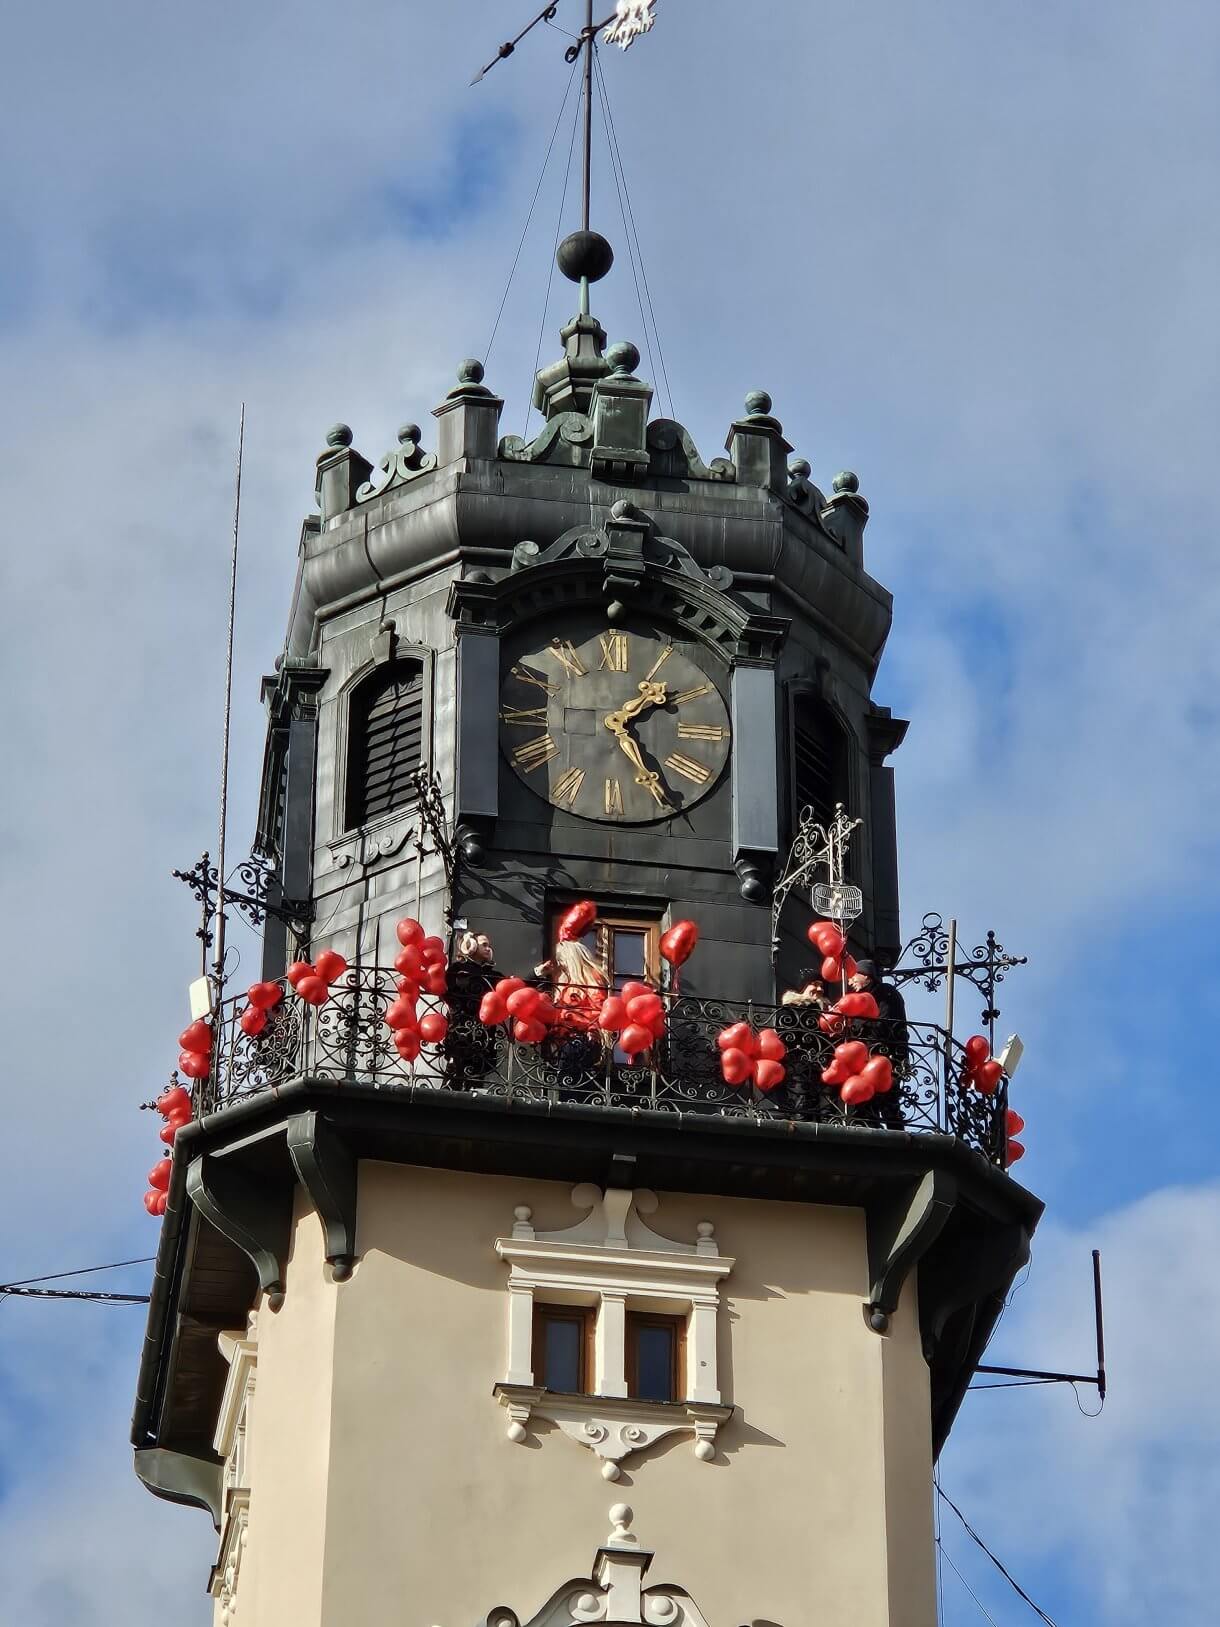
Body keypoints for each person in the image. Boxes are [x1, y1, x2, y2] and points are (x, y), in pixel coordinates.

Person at [849, 959, 909, 1128]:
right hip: (868, 1063)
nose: (849, 981)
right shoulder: (860, 1000)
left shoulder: (885, 993)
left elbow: (884, 1025)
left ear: (866, 975)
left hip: (886, 1059)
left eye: (853, 976)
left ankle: (896, 1143)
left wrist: (854, 1032)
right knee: (866, 1110)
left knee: (889, 1106)